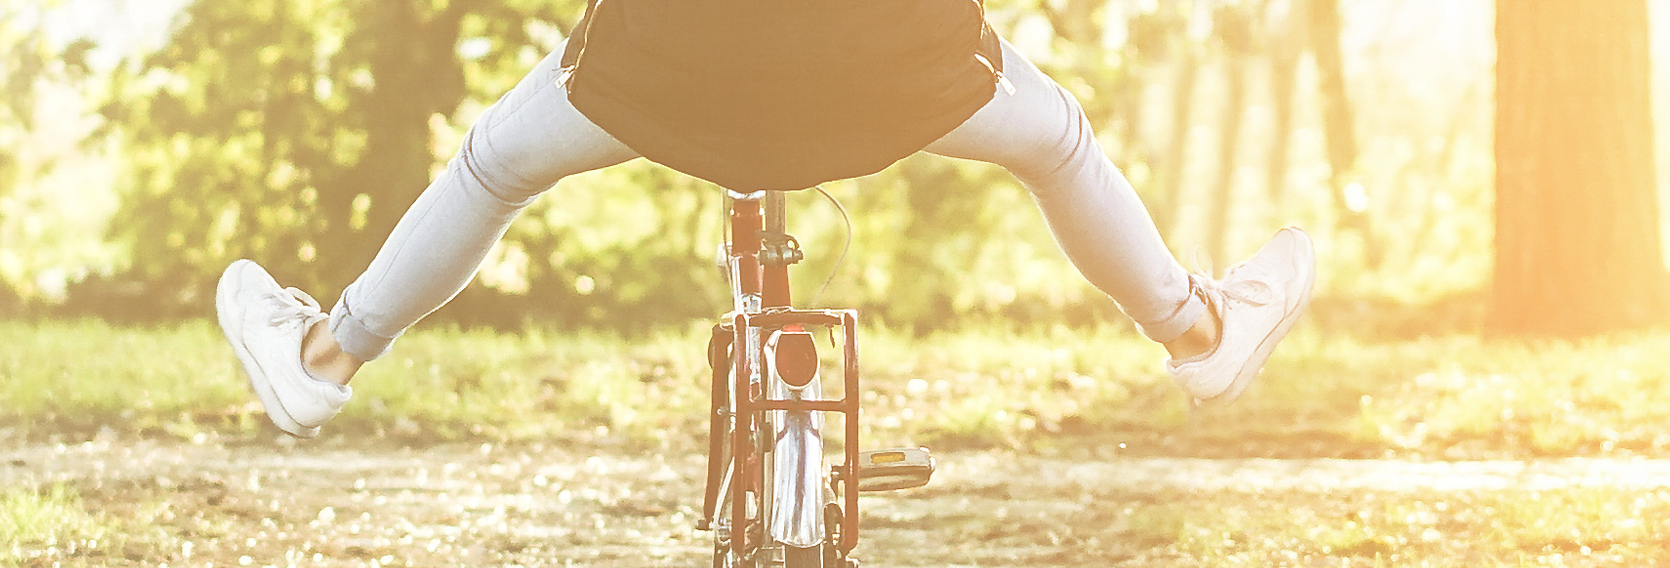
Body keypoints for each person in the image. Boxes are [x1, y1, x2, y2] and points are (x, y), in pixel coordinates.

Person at [213, 0, 1318, 437]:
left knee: (492, 167)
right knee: (1057, 142)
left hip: (662, 80)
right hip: (896, 78)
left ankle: (323, 356)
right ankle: (1195, 333)